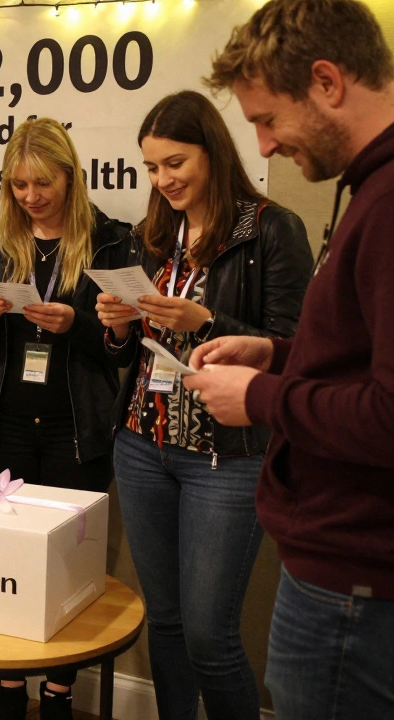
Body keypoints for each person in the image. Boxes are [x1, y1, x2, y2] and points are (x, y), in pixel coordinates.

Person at [185, 1, 394, 718]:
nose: (264, 145)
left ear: (327, 83)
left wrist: (260, 398)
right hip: (370, 571)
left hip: (374, 581)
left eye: (268, 119)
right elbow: (384, 356)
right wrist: (278, 354)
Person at [94, 91, 312, 719]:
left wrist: (207, 319)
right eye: (152, 168)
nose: (163, 181)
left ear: (212, 153)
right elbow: (129, 353)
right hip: (142, 444)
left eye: (175, 163)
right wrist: (118, 326)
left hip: (226, 457)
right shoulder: (154, 234)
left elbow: (296, 350)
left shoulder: (270, 229)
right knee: (164, 621)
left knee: (210, 638)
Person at [0, 117, 134, 720]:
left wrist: (77, 325)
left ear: (70, 177)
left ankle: (58, 691)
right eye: (18, 185)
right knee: (4, 559)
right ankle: (10, 687)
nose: (30, 196)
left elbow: (124, 350)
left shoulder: (110, 240)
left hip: (76, 430)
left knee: (67, 565)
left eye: (42, 184)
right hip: (2, 425)